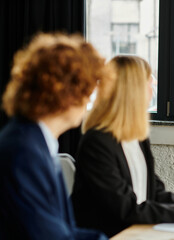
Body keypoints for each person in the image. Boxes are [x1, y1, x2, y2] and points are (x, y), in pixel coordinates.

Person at [71, 55, 174, 237]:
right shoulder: (97, 143)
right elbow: (126, 209)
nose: (152, 87)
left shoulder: (136, 136)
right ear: (134, 90)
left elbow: (155, 193)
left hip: (138, 230)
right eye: (149, 80)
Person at [0, 33, 108, 240]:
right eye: (88, 91)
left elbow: (63, 231)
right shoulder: (24, 154)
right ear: (67, 93)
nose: (89, 102)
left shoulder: (35, 141)